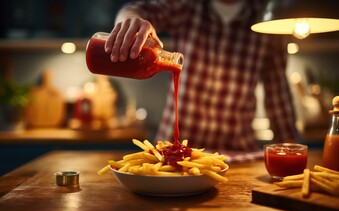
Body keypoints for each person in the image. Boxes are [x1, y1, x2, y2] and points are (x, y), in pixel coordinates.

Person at [105, 0, 298, 152]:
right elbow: (136, 9)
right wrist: (129, 23)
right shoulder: (187, 6)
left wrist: (291, 148)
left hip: (236, 153)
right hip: (171, 150)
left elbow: (277, 95)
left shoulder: (269, 17)